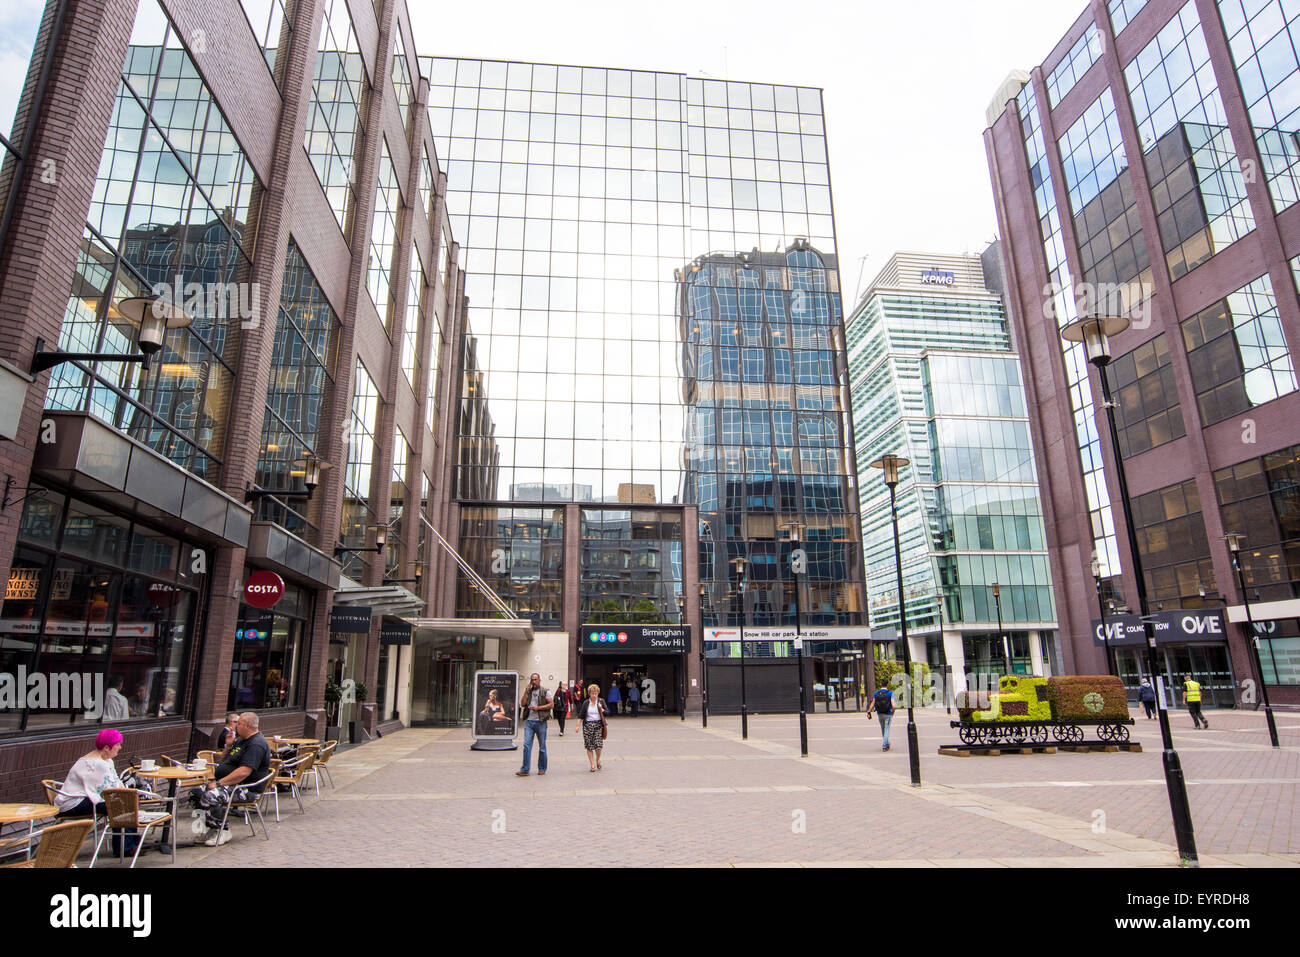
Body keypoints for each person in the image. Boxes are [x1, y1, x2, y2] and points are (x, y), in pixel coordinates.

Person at [56, 728, 158, 855]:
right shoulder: (98, 764)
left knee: (125, 802)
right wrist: (129, 796)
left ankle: (132, 842)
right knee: (120, 805)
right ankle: (125, 848)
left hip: (83, 797)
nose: (120, 747)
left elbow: (114, 784)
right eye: (117, 745)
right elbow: (109, 791)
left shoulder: (106, 760)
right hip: (73, 803)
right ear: (106, 747)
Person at [189, 712, 272, 846]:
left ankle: (223, 830)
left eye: (238, 723)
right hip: (229, 784)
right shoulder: (240, 740)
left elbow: (244, 772)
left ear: (248, 725)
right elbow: (224, 762)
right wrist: (228, 746)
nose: (235, 726)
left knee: (211, 796)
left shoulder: (256, 744)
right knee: (195, 793)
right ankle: (210, 828)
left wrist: (218, 783)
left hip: (246, 789)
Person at [515, 673, 552, 776]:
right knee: (526, 745)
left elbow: (551, 704)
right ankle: (525, 769)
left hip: (541, 722)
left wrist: (538, 708)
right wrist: (526, 692)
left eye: (535, 679)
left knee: (542, 746)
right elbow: (522, 704)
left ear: (539, 680)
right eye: (532, 680)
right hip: (530, 722)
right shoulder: (529, 692)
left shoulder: (545, 691)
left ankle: (542, 769)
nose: (534, 681)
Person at [576, 683, 608, 771]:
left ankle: (597, 759)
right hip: (587, 726)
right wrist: (577, 726)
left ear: (598, 693)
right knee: (589, 746)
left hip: (598, 725)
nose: (594, 695)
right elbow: (581, 715)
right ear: (589, 693)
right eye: (592, 693)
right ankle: (592, 765)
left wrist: (603, 710)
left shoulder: (601, 701)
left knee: (598, 746)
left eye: (596, 693)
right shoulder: (586, 703)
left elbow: (608, 712)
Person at [865, 680, 894, 751]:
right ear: (887, 685)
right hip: (888, 713)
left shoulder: (876, 693)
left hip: (880, 713)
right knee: (887, 729)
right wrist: (892, 713)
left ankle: (886, 743)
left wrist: (869, 711)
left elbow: (873, 703)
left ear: (881, 684)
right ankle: (884, 745)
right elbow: (893, 705)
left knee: (883, 728)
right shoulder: (890, 693)